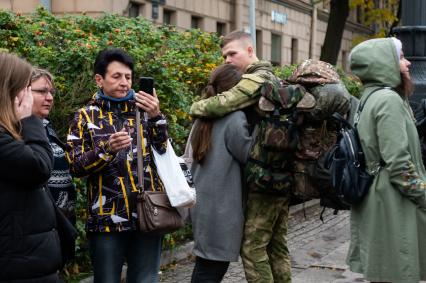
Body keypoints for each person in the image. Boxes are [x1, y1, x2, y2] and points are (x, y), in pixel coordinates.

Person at [190, 31, 292, 282]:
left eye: (232, 53)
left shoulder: (257, 81)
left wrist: (196, 108)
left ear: (250, 50)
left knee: (254, 250)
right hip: (267, 182)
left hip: (257, 184)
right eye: (224, 55)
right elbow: (245, 150)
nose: (226, 59)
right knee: (270, 248)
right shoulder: (268, 85)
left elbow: (222, 104)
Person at [66, 48, 168, 283]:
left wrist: (156, 116)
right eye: (117, 76)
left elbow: (163, 151)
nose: (124, 83)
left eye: (128, 77)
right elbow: (75, 167)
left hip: (148, 214)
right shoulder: (85, 116)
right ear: (99, 79)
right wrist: (106, 149)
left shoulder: (144, 111)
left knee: (145, 279)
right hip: (106, 219)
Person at [347, 37, 426, 283]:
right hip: (391, 203)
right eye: (401, 57)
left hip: (378, 198)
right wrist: (423, 196)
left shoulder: (370, 97)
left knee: (384, 273)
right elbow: (399, 165)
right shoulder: (389, 100)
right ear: (384, 63)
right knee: (396, 272)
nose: (408, 63)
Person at [0, 52, 62, 282]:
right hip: (18, 264)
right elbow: (39, 168)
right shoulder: (6, 135)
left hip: (28, 261)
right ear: (10, 91)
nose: (48, 98)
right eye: (26, 87)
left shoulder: (11, 131)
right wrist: (30, 121)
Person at [189, 64, 253, 282]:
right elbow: (248, 155)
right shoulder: (234, 119)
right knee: (210, 270)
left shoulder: (201, 115)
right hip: (223, 209)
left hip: (202, 205)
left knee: (206, 265)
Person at [30, 68, 76, 227]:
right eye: (42, 91)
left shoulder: (46, 127)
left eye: (51, 92)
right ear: (23, 92)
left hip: (61, 223)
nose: (49, 98)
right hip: (38, 224)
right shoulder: (16, 131)